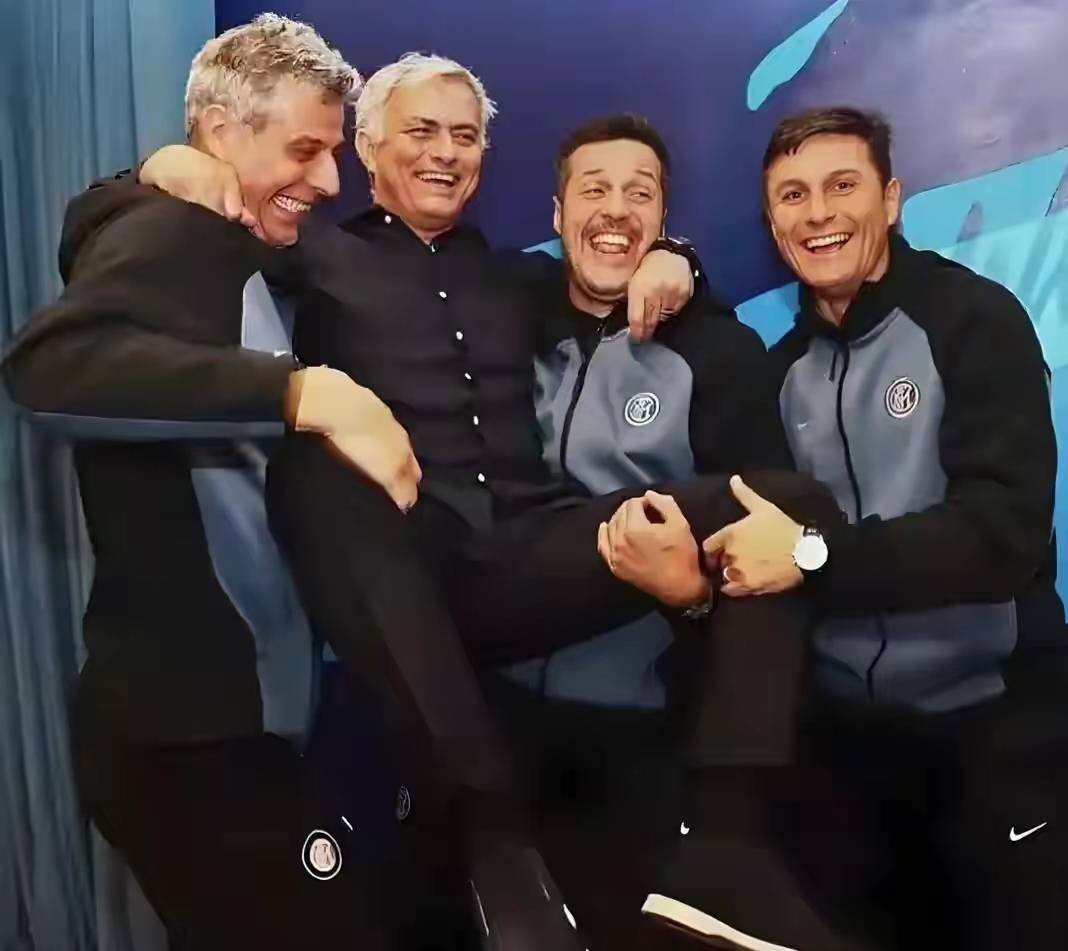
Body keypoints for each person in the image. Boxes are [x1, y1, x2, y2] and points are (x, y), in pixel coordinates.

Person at [0, 15, 428, 950]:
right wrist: (302, 393)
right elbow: (49, 369)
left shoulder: (232, 241)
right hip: (186, 737)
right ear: (224, 134)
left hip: (238, 729)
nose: (328, 180)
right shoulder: (174, 232)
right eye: (306, 150)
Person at [692, 106, 1068, 950]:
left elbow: (1001, 536)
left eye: (841, 185)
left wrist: (810, 556)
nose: (818, 213)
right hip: (849, 761)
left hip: (996, 730)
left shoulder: (974, 319)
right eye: (793, 195)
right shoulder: (776, 372)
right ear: (773, 224)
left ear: (891, 199)